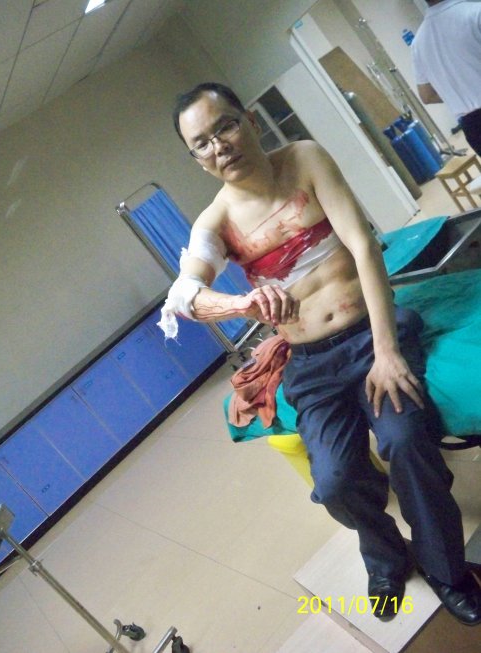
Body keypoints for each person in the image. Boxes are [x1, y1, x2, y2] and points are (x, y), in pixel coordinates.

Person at [159, 81, 481, 624]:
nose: (219, 146)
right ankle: (386, 558)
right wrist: (241, 303)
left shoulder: (304, 160)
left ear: (250, 120)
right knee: (333, 481)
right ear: (196, 159)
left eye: (225, 127)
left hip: (370, 333)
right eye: (202, 144)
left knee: (406, 441)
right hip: (311, 363)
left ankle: (447, 571)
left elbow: (362, 244)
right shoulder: (215, 222)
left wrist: (387, 351)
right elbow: (184, 296)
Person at [411, 0, 481, 155]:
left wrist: (460, 93)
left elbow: (427, 95)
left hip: (473, 127)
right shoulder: (475, 12)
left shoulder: (418, 44)